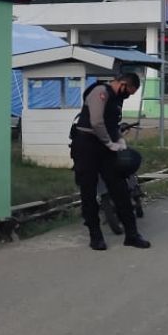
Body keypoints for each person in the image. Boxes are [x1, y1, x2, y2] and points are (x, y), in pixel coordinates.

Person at [69, 72, 151, 251]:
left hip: (106, 147)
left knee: (120, 189)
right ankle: (95, 237)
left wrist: (119, 140)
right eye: (129, 91)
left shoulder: (116, 99)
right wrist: (109, 143)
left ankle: (132, 235)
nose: (128, 95)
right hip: (86, 145)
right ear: (122, 84)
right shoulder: (101, 92)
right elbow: (97, 122)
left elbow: (113, 124)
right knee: (88, 192)